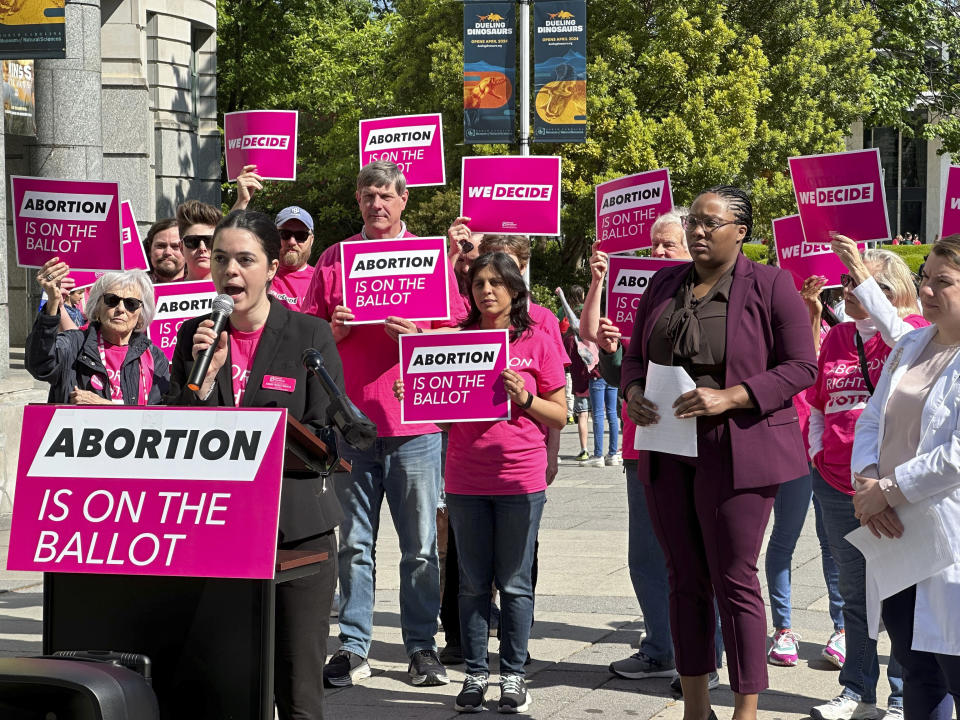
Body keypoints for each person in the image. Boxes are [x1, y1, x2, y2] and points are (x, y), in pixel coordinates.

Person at [620, 186, 817, 720]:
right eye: (693, 223)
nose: (698, 232)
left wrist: (731, 396)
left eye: (711, 223)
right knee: (682, 577)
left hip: (738, 449)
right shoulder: (663, 282)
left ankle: (746, 708)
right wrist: (634, 392)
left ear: (741, 231)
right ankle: (696, 705)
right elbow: (634, 356)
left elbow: (802, 366)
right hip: (666, 446)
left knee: (734, 578)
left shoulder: (772, 284)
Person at [166, 209, 343, 720]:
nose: (230, 272)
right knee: (227, 685)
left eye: (245, 260)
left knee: (299, 691)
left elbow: (330, 439)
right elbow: (180, 438)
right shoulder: (194, 338)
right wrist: (208, 380)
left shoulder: (309, 336)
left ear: (271, 267)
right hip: (217, 531)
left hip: (296, 533)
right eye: (221, 259)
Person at [302, 161, 466, 689]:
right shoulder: (334, 259)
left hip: (416, 426)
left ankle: (421, 646)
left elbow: (458, 339)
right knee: (353, 544)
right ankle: (353, 646)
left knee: (420, 546)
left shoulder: (431, 259)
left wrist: (418, 332)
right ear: (358, 201)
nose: (376, 204)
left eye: (384, 196)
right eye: (367, 195)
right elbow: (307, 340)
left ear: (403, 200)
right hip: (351, 427)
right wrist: (332, 330)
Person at [395, 252, 567, 713]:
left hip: (520, 478)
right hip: (467, 479)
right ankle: (474, 674)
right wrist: (416, 394)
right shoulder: (454, 340)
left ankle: (512, 674)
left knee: (513, 584)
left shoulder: (539, 341)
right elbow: (447, 422)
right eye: (477, 284)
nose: (486, 290)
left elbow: (561, 414)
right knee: (470, 583)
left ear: (515, 289)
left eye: (495, 282)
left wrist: (526, 397)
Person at [581, 235, 724, 693]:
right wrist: (612, 351)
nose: (658, 252)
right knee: (645, 558)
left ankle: (706, 660)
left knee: (699, 559)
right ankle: (662, 650)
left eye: (669, 245)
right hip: (641, 449)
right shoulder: (643, 295)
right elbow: (618, 373)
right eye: (655, 245)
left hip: (695, 446)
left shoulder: (710, 299)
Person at [807, 237, 926, 720]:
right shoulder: (838, 336)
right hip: (836, 483)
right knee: (853, 594)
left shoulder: (914, 333)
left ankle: (903, 695)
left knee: (899, 591)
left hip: (891, 488)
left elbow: (901, 334)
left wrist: (860, 266)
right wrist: (817, 453)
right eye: (847, 280)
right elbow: (819, 403)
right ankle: (855, 688)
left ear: (892, 289)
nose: (848, 287)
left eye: (859, 281)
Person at [848, 235, 960, 720]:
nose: (927, 290)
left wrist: (888, 491)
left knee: (955, 665)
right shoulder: (912, 344)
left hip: (947, 537)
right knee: (917, 670)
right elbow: (873, 418)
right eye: (925, 279)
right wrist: (868, 481)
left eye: (944, 281)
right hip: (894, 532)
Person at [27, 260, 168, 405]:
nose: (120, 308)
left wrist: (105, 406)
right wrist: (52, 304)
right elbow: (40, 365)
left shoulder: (154, 357)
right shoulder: (74, 344)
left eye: (131, 304)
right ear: (97, 307)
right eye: (112, 300)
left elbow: (158, 417)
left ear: (141, 314)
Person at [270, 206, 316, 311]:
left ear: (311, 240)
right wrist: (242, 202)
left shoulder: (321, 281)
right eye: (285, 234)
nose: (292, 242)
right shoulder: (259, 273)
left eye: (301, 235)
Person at [176, 199, 222, 281]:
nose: (202, 248)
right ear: (181, 248)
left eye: (209, 241)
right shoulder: (164, 292)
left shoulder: (234, 290)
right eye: (193, 241)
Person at [144, 218, 185, 284]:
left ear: (187, 251)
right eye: (161, 246)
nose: (167, 252)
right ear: (149, 250)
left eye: (175, 246)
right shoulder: (134, 289)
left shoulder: (202, 289)